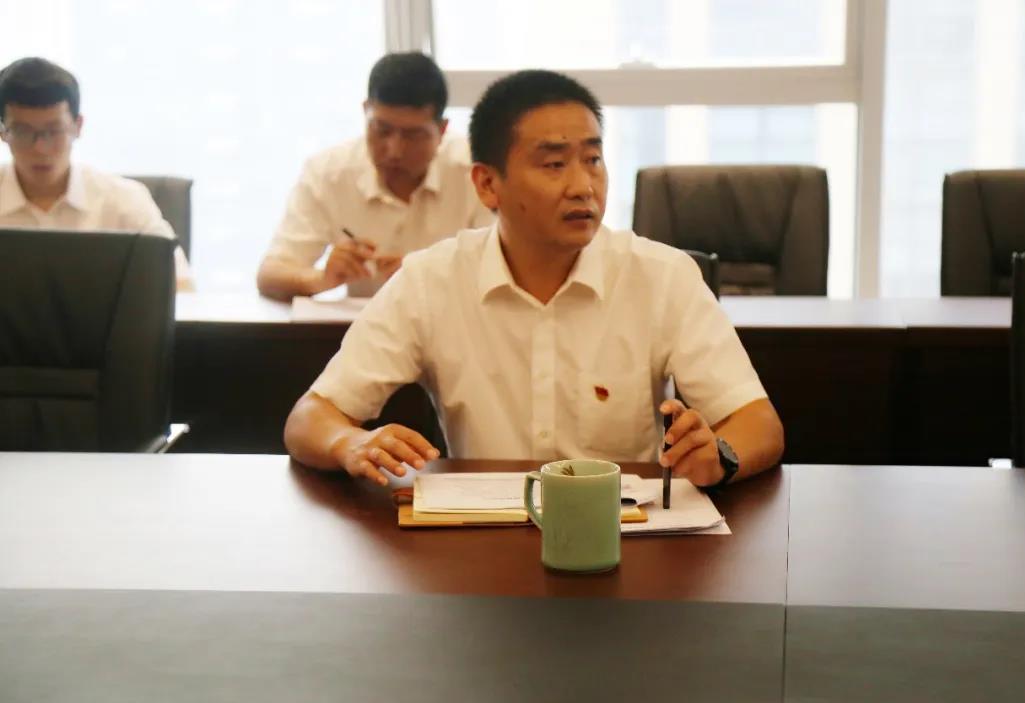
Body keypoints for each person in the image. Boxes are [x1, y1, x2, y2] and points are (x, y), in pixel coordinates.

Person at [284, 70, 784, 491]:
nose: (583, 186)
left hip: (628, 533)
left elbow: (758, 423)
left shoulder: (662, 275)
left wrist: (721, 456)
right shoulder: (431, 280)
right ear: (487, 184)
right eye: (554, 164)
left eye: (593, 160)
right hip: (482, 537)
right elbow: (310, 417)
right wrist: (351, 442)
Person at [257, 52, 491, 301]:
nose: (394, 150)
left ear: (442, 130)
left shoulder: (477, 172)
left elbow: (506, 271)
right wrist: (322, 279)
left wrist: (428, 276)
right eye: (382, 130)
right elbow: (270, 274)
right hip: (360, 324)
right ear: (365, 112)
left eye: (413, 135)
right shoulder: (329, 173)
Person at [0, 57, 193, 291]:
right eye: (22, 131)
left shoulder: (123, 199)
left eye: (54, 130)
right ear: (3, 132)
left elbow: (181, 284)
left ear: (77, 126)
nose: (40, 147)